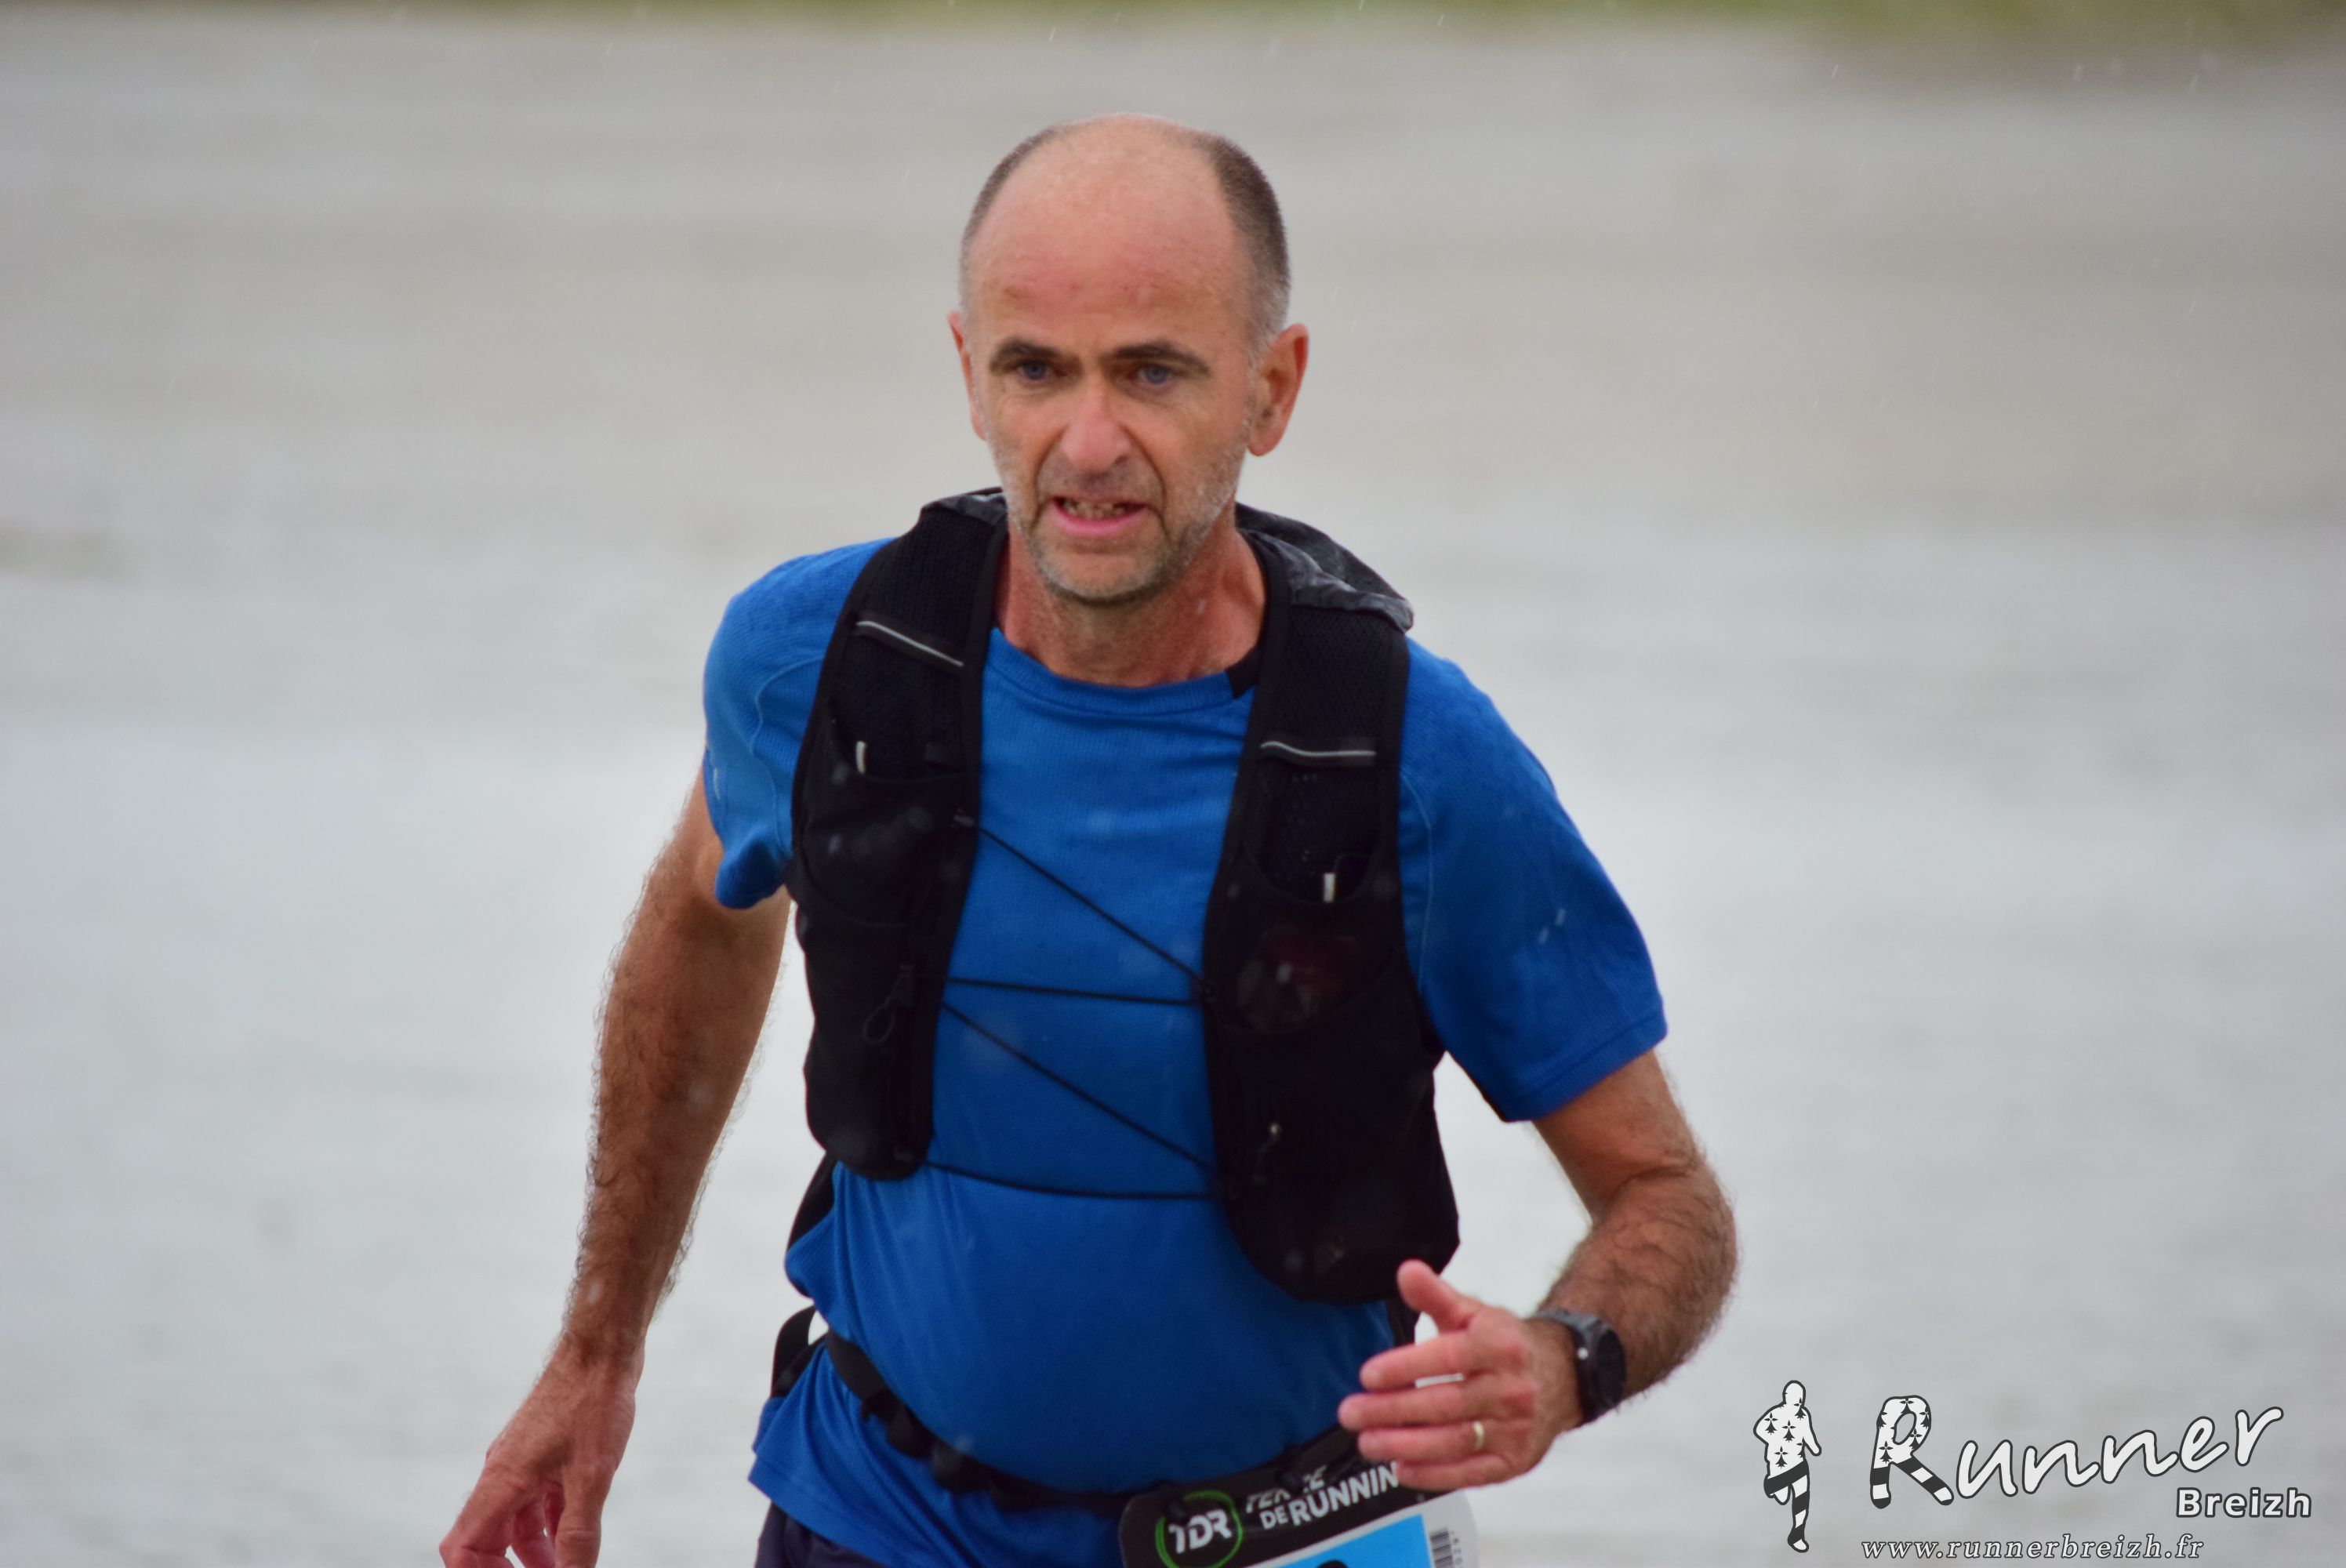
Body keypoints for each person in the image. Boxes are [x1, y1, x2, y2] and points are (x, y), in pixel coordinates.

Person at [441, 114, 1737, 1568]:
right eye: (1037, 370)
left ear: (1272, 388)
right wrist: (598, 1351)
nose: (1090, 442)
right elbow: (704, 918)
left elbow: (1667, 1200)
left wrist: (1564, 1363)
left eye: (1152, 372)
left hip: (1292, 1537)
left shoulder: (1416, 763)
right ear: (968, 374)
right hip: (874, 1518)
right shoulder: (819, 666)